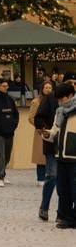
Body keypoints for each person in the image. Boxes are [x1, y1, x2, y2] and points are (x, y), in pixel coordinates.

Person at [34, 69, 76, 222]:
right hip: (55, 149)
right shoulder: (53, 100)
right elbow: (42, 120)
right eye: (70, 82)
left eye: (75, 83)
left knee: (68, 184)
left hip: (71, 151)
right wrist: (47, 133)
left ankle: (65, 215)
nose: (73, 85)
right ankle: (49, 209)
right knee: (53, 178)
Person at [28, 80, 53, 185]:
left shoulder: (54, 101)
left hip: (52, 131)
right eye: (46, 87)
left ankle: (50, 176)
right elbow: (31, 117)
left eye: (50, 88)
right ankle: (40, 178)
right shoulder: (36, 102)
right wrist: (40, 127)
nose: (48, 89)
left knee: (50, 155)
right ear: (42, 89)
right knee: (40, 156)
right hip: (40, 132)